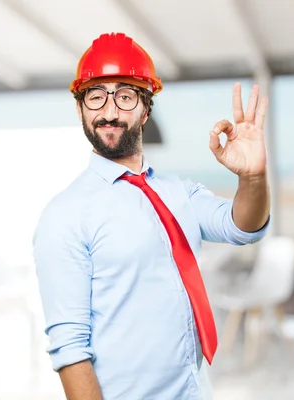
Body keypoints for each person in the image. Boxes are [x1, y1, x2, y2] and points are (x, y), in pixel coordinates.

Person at [33, 32, 271, 400]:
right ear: (80, 108)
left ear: (146, 109)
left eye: (125, 96)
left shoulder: (180, 192)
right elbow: (70, 349)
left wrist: (252, 177)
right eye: (96, 96)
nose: (109, 112)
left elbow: (243, 227)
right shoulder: (64, 216)